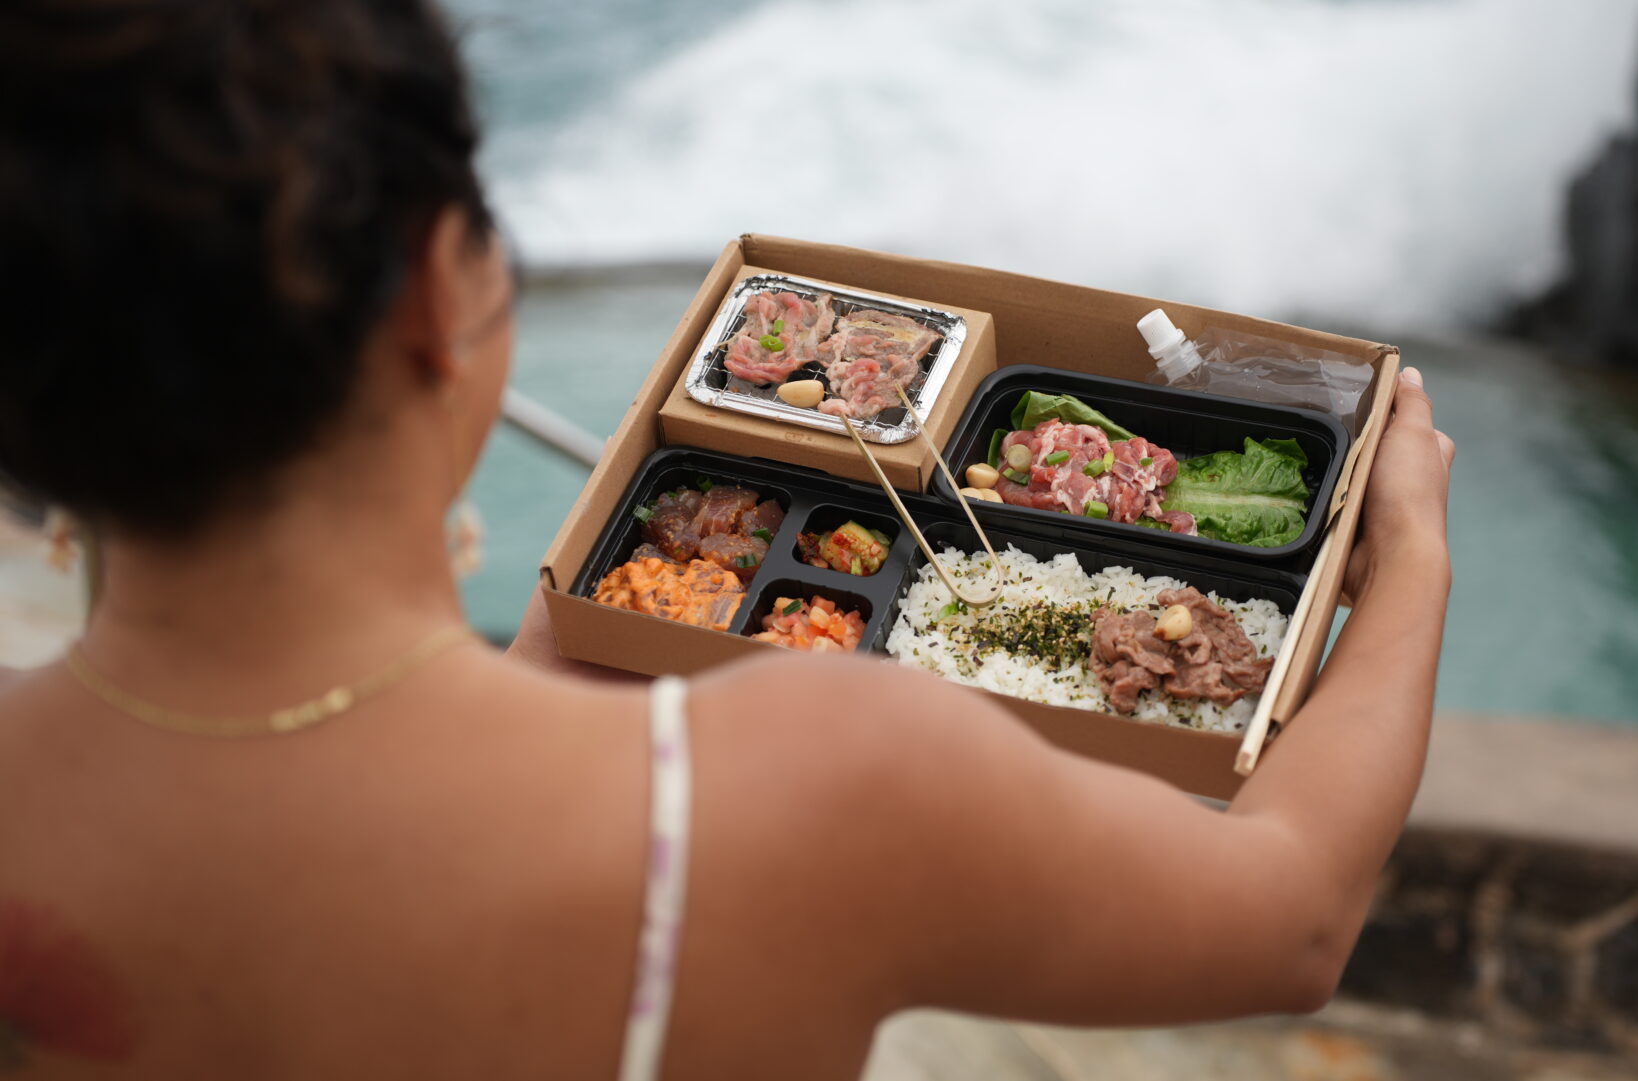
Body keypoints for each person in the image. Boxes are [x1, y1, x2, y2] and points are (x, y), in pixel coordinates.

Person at [0, 1, 1454, 1077]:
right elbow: (1290, 914)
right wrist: (1410, 548)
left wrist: (540, 654)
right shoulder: (819, 787)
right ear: (437, 302)